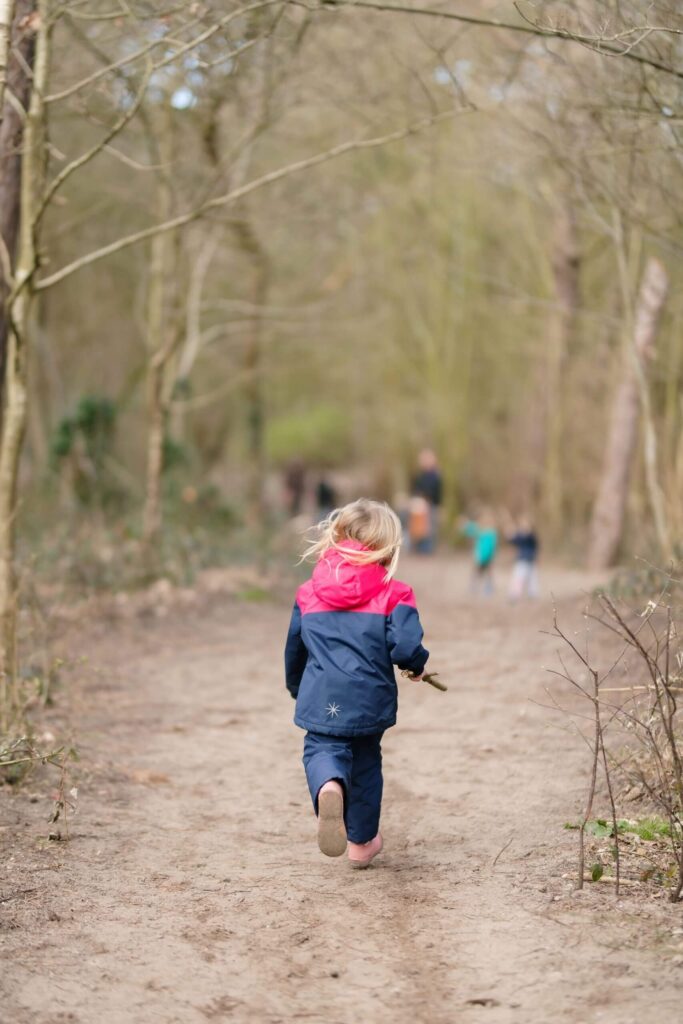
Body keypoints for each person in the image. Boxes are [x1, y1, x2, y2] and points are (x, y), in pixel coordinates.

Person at [284, 498, 429, 868]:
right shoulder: (394, 593)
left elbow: (295, 647)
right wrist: (414, 666)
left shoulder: (308, 592)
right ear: (387, 547)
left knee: (321, 749)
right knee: (365, 763)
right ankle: (362, 843)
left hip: (321, 697)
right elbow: (406, 645)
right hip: (369, 699)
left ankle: (329, 785)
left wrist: (297, 687)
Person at [410, 449, 442, 553]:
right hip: (421, 505)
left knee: (430, 529)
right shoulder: (421, 475)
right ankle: (421, 549)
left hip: (432, 505)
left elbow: (436, 492)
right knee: (420, 529)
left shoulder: (436, 475)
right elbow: (416, 489)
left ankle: (428, 550)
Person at [460, 511, 498, 596]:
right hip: (480, 555)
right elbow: (471, 529)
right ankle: (474, 586)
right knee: (478, 571)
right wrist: (465, 524)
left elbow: (494, 546)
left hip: (488, 556)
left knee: (488, 573)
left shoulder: (491, 533)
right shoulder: (481, 531)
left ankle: (488, 588)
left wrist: (494, 555)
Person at [504, 515, 539, 600]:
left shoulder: (531, 536)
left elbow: (530, 540)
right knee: (518, 577)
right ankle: (515, 594)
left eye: (526, 525)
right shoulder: (520, 535)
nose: (524, 526)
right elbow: (513, 541)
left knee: (532, 579)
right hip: (521, 560)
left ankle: (532, 594)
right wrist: (509, 534)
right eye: (523, 525)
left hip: (530, 560)